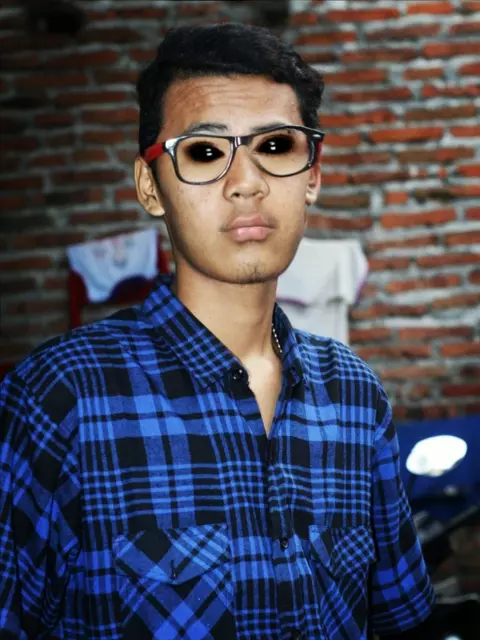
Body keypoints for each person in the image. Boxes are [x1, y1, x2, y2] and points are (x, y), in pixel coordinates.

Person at [0, 22, 435, 640]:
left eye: (276, 146)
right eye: (204, 152)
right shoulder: (60, 397)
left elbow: (399, 620)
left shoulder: (355, 396)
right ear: (151, 186)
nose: (247, 182)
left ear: (312, 175)